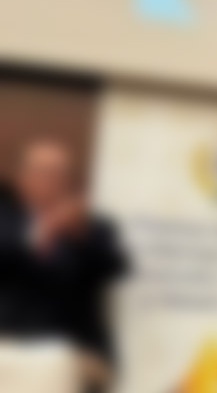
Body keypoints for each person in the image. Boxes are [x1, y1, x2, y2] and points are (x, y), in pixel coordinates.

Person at [0, 139, 126, 390]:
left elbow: (116, 267)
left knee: (60, 366)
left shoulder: (93, 227)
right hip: (9, 343)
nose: (50, 180)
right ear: (24, 178)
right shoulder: (6, 223)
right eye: (41, 172)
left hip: (76, 349)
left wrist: (81, 235)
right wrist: (41, 233)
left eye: (58, 174)